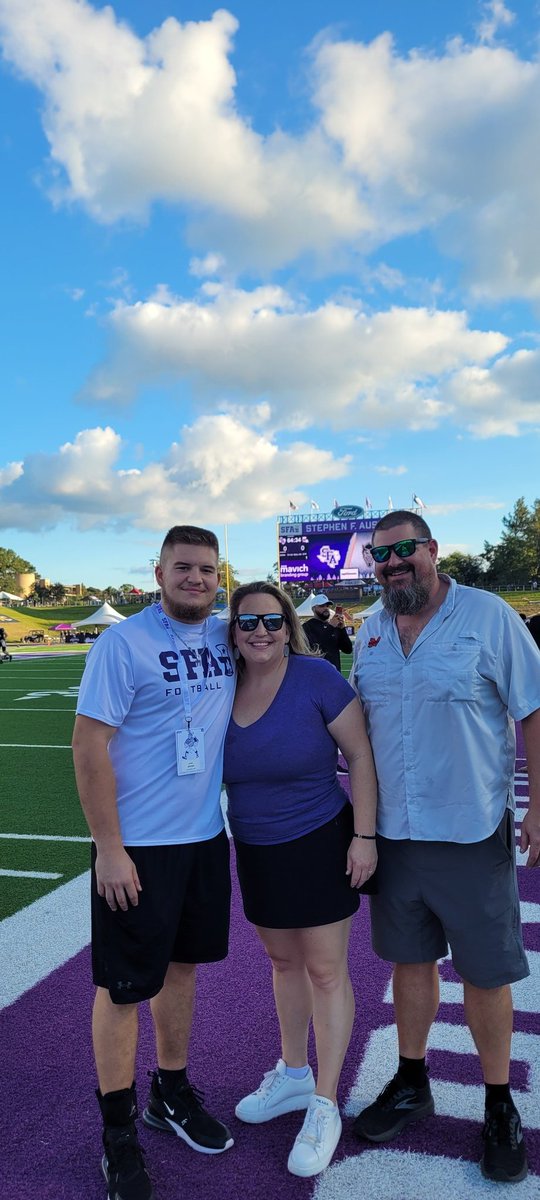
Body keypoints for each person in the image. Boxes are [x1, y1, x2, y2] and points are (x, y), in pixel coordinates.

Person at [350, 510, 540, 1184]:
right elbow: (355, 729)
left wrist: (538, 805)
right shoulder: (370, 628)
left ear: (432, 550)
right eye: (382, 554)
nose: (394, 562)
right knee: (410, 963)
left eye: (406, 549)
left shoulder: (488, 616)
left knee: (486, 973)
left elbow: (532, 708)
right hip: (395, 836)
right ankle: (411, 1079)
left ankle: (497, 1102)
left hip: (469, 829)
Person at [72, 525, 236, 1200]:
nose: (196, 578)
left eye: (206, 568)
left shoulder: (230, 634)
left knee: (182, 968)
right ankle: (118, 1135)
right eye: (183, 567)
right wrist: (109, 848)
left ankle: (169, 1092)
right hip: (136, 846)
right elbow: (88, 747)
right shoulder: (122, 641)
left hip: (202, 838)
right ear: (158, 572)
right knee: (120, 989)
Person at [223, 582, 378, 1178]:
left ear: (289, 626)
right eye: (247, 622)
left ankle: (325, 1101)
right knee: (283, 964)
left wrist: (364, 838)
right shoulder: (224, 686)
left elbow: (361, 757)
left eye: (271, 621)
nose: (260, 631)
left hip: (318, 840)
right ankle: (292, 1075)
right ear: (232, 630)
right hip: (257, 847)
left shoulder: (317, 679)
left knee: (324, 969)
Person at [302, 594, 353, 671]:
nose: (326, 608)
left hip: (334, 674)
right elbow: (315, 648)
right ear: (313, 609)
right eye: (322, 606)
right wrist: (330, 627)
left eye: (327, 606)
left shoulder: (333, 625)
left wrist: (342, 629)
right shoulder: (307, 627)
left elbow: (348, 649)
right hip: (316, 673)